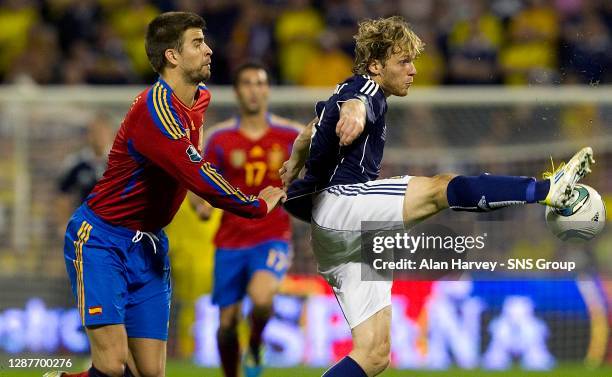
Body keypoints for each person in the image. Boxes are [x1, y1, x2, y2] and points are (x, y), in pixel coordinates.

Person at [279, 16, 594, 377]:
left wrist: (292, 164)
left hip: (336, 235)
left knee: (374, 354)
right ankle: (548, 189)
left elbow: (309, 130)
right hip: (345, 206)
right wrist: (354, 116)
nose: (413, 70)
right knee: (439, 189)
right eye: (404, 62)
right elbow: (357, 105)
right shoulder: (366, 89)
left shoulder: (342, 90)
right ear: (376, 66)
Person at [45, 12, 285, 377]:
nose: (208, 50)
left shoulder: (199, 97)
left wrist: (195, 195)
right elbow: (195, 169)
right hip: (102, 241)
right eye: (197, 43)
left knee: (152, 373)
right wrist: (255, 204)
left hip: (149, 245)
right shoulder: (155, 110)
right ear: (172, 56)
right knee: (110, 367)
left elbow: (194, 153)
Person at [197, 62, 302, 377]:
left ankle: (255, 343)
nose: (254, 89)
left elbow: (310, 173)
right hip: (229, 240)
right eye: (247, 83)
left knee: (260, 298)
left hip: (272, 236)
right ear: (237, 91)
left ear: (267, 89)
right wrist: (201, 205)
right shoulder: (219, 139)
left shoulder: (290, 135)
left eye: (260, 83)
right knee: (226, 325)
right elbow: (201, 182)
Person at [56, 113, 113, 234]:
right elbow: (63, 193)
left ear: (111, 134)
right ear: (89, 135)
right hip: (85, 228)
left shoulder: (122, 162)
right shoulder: (76, 162)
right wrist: (63, 224)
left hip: (114, 229)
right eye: (95, 132)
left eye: (103, 132)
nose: (99, 137)